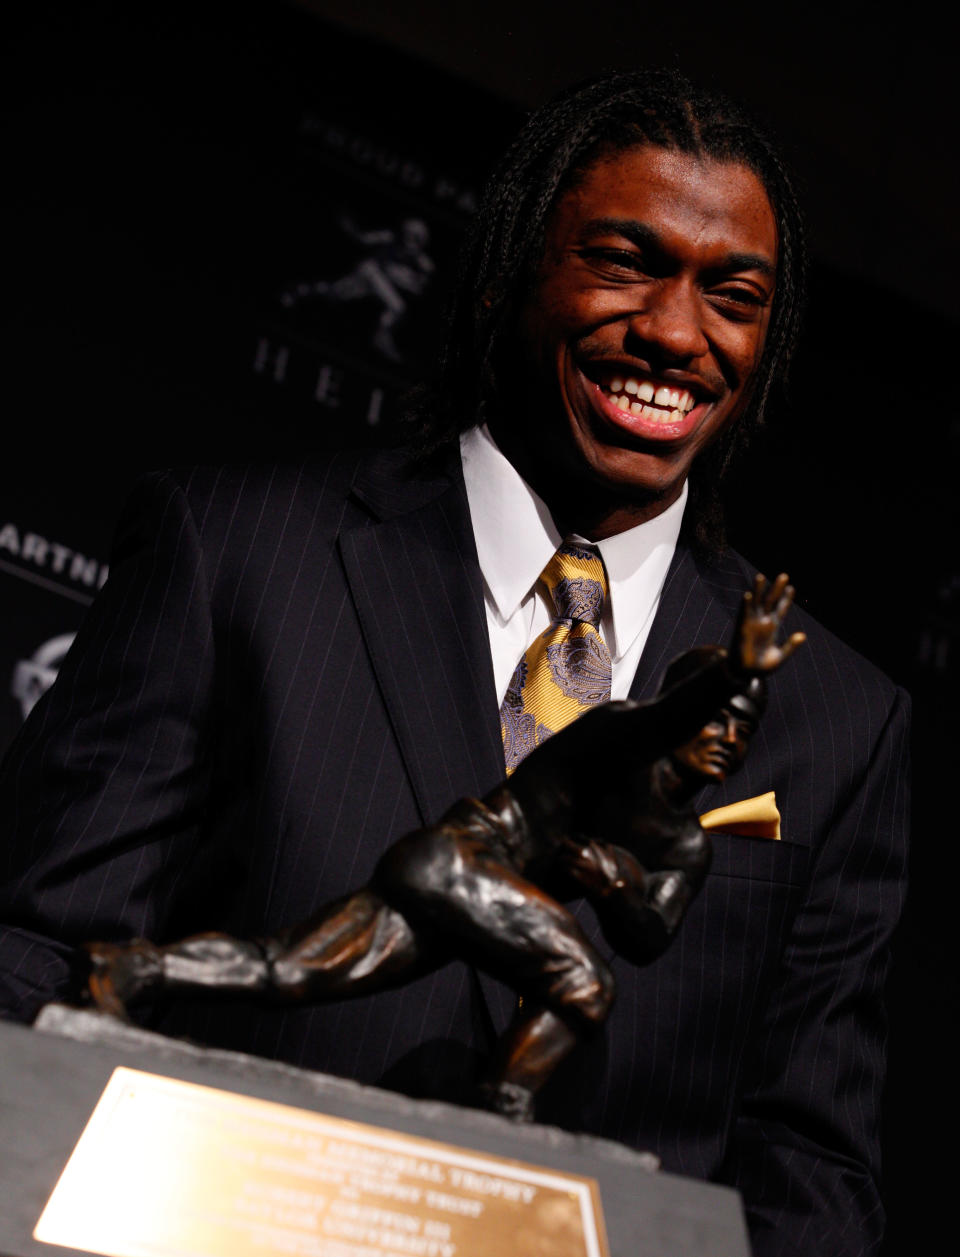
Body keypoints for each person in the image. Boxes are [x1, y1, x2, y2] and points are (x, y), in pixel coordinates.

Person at [0, 69, 908, 1257]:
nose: (677, 334)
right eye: (626, 263)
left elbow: (807, 1170)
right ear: (503, 279)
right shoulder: (235, 556)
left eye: (731, 294)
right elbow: (39, 964)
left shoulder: (843, 718)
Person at [83, 574, 802, 1123]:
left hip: (469, 900)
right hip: (454, 861)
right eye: (720, 717)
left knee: (290, 968)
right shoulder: (613, 741)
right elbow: (663, 718)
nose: (730, 736)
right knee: (584, 979)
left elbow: (650, 932)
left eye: (746, 727)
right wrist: (733, 673)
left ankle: (137, 969)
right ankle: (500, 1111)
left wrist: (617, 887)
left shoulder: (683, 844)